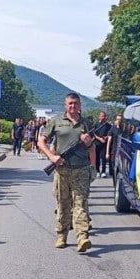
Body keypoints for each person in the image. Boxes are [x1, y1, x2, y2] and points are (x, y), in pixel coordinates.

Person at [37, 92, 95, 253]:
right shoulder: (56, 121)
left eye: (76, 103)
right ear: (65, 105)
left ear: (80, 105)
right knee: (63, 203)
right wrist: (52, 156)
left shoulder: (86, 123)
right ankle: (61, 235)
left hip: (81, 170)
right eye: (70, 103)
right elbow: (41, 141)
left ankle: (82, 237)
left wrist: (92, 163)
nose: (73, 106)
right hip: (62, 170)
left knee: (80, 204)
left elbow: (92, 148)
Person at [93, 111, 111, 177]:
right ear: (99, 116)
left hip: (104, 143)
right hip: (97, 143)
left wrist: (106, 138)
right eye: (102, 116)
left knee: (103, 158)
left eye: (104, 116)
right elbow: (93, 133)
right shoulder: (96, 124)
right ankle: (97, 171)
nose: (103, 117)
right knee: (97, 158)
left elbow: (110, 133)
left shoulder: (108, 125)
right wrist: (99, 138)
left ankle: (103, 171)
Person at [105, 114, 124, 180]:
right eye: (118, 119)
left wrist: (119, 127)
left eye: (120, 120)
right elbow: (109, 141)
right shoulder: (112, 129)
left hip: (122, 151)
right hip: (114, 150)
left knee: (120, 169)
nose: (119, 121)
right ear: (115, 120)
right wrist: (107, 153)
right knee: (114, 169)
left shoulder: (123, 129)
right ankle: (115, 183)